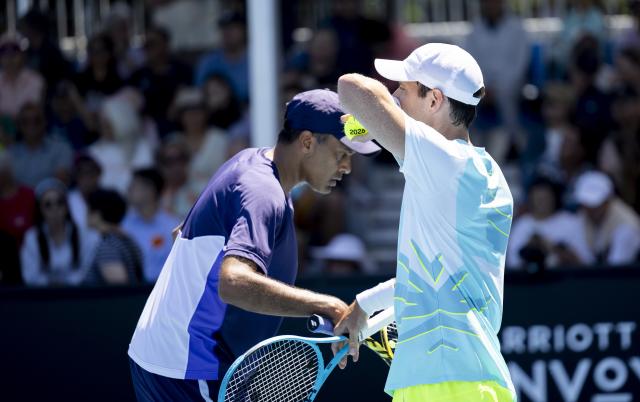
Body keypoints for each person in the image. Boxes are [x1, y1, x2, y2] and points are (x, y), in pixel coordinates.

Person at [127, 89, 380, 401]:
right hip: (190, 370)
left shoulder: (248, 162)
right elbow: (233, 282)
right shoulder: (263, 191)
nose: (347, 168)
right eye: (342, 154)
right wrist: (325, 306)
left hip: (168, 359)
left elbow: (184, 233)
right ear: (306, 142)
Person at [334, 43, 516, 401]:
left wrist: (377, 118)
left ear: (434, 100)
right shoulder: (485, 173)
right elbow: (432, 271)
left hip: (447, 383)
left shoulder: (442, 160)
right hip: (457, 381)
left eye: (403, 88)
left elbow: (351, 89)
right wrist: (365, 305)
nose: (396, 96)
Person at [20, 178, 99, 287]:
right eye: (48, 205)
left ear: (66, 206)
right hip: (44, 298)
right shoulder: (32, 237)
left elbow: (87, 272)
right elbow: (30, 276)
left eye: (59, 202)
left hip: (78, 297)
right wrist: (55, 284)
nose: (55, 209)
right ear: (40, 210)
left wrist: (61, 284)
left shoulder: (86, 236)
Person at [122, 168, 180, 283]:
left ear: (149, 190)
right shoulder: (124, 225)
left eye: (134, 186)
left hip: (164, 291)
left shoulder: (173, 226)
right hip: (131, 292)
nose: (128, 190)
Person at [574, 171, 640, 265]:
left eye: (597, 204)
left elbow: (615, 271)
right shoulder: (583, 216)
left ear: (608, 200)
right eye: (587, 205)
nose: (592, 209)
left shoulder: (627, 227)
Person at [85, 189, 143, 285]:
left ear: (97, 214)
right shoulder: (127, 240)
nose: (86, 214)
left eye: (89, 209)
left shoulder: (108, 246)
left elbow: (119, 289)